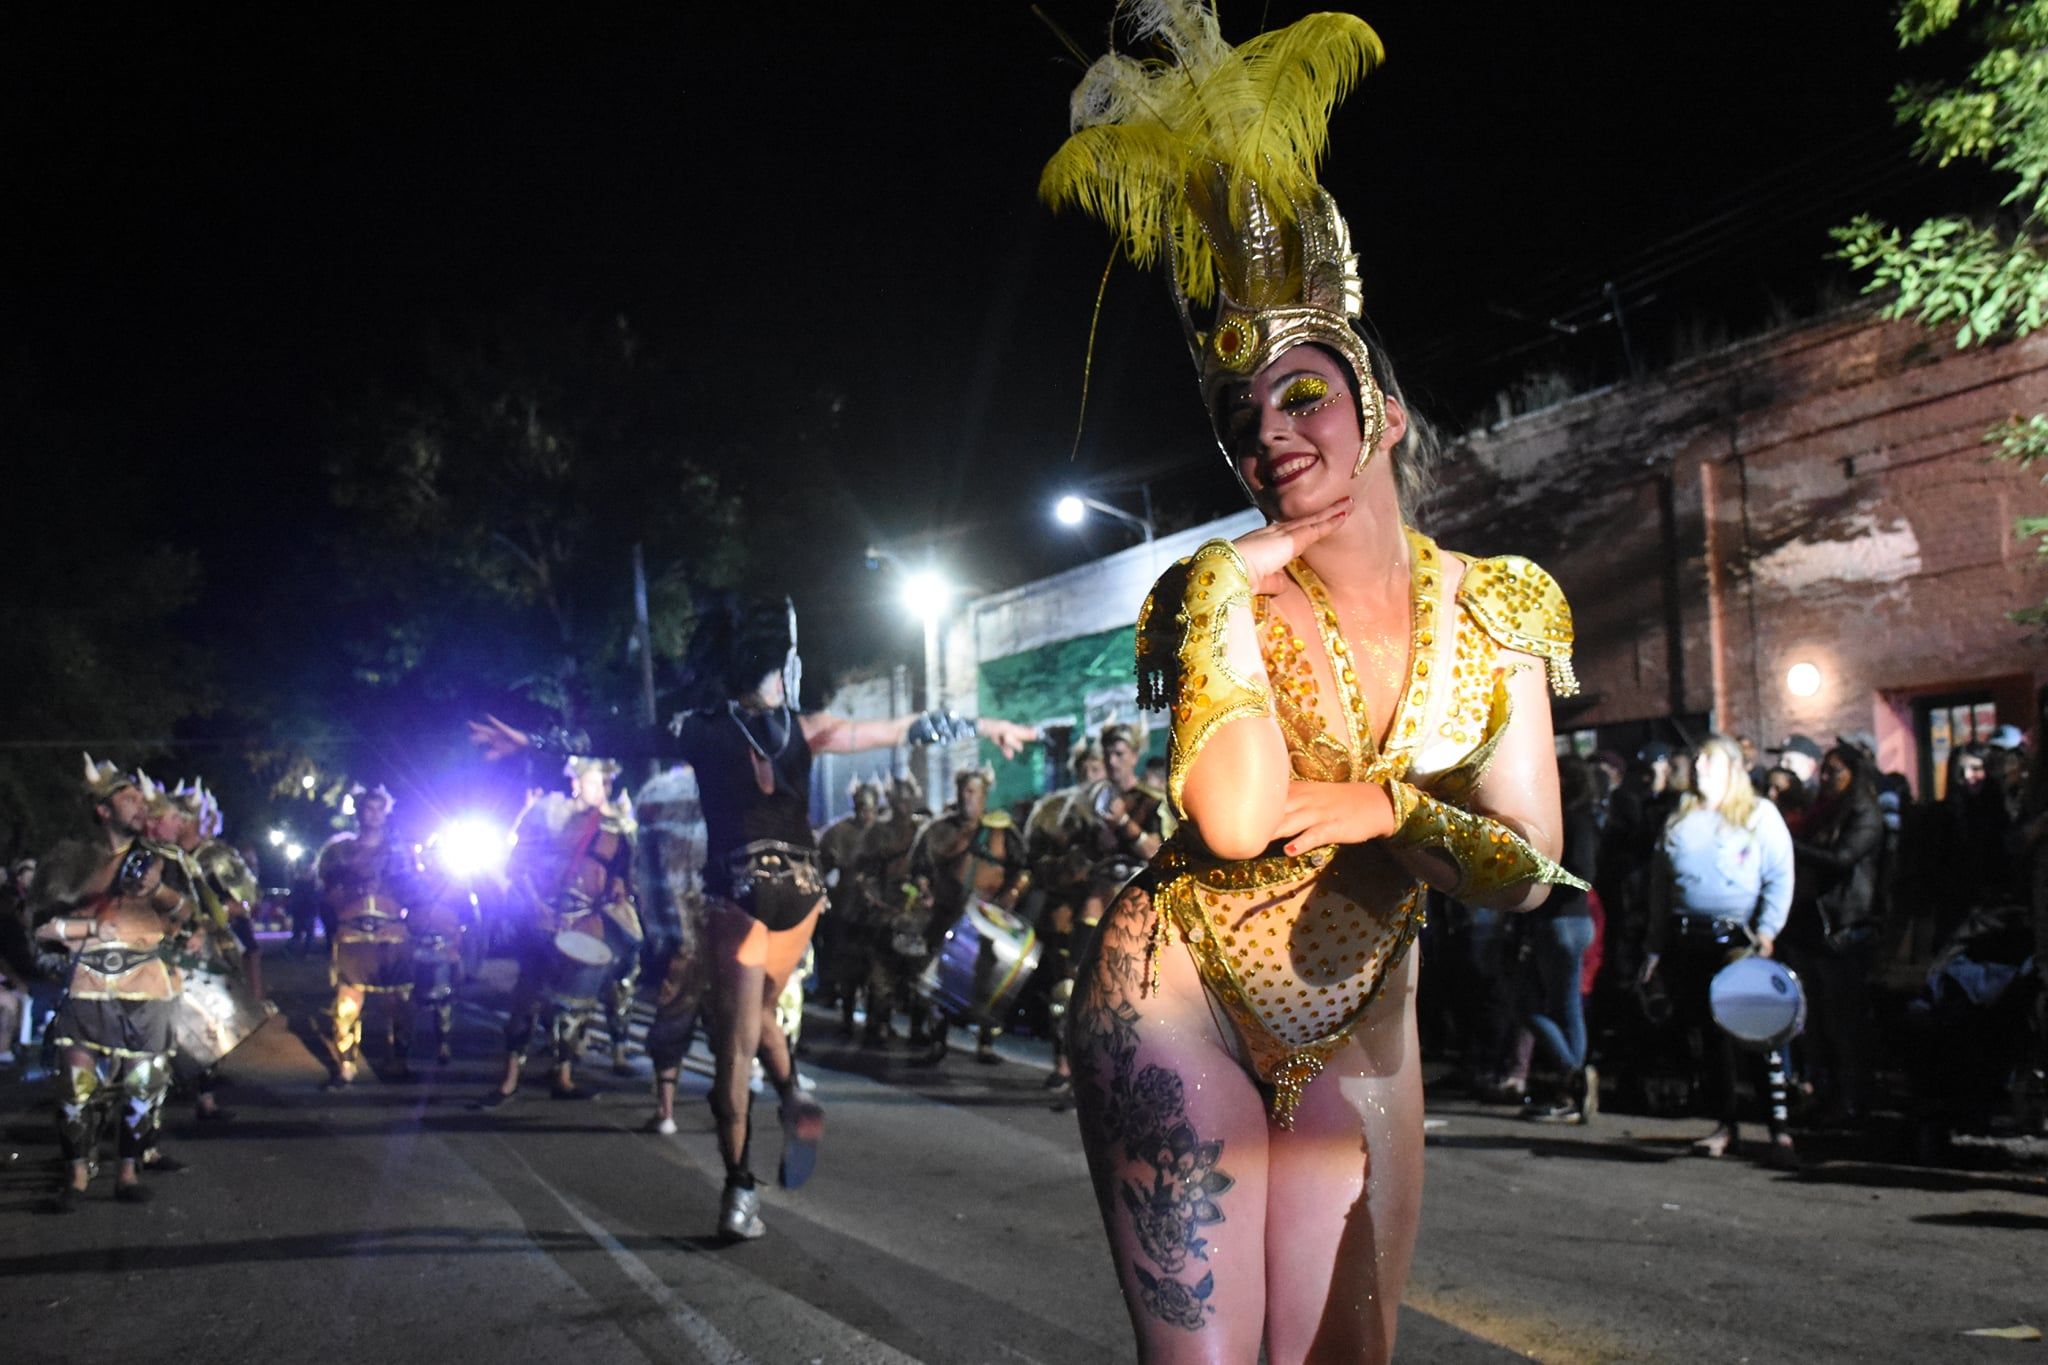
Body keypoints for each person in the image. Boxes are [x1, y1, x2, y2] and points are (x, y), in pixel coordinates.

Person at [1041, 9, 1585, 1356]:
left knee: (1349, 1352)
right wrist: (1226, 586)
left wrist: (1390, 810)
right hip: (1177, 995)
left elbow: (1529, 868)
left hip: (1366, 1028)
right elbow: (1232, 824)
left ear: (1381, 411)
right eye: (1242, 423)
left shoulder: (1500, 605)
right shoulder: (1209, 597)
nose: (1271, 437)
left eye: (1302, 399)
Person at [469, 595, 1034, 1241]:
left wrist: (528, 741)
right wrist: (986, 724)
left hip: (736, 895)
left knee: (733, 1042)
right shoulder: (811, 726)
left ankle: (739, 1187)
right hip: (802, 893)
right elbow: (905, 727)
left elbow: (616, 734)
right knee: (761, 1006)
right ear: (783, 665)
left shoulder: (697, 727)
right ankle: (793, 1091)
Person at [29, 756, 190, 1207]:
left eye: (142, 798)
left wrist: (157, 890)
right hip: (87, 982)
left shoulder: (164, 860)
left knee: (144, 1083)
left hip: (148, 985)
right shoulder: (69, 861)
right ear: (103, 809)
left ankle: (127, 1172)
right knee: (76, 1084)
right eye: (129, 797)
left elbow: (186, 918)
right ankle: (77, 1177)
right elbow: (41, 926)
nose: (141, 806)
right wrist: (88, 928)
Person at [1641, 734, 1797, 1167]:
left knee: (1757, 1032)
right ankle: (1726, 1125)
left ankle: (1778, 1131)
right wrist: (1653, 949)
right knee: (1709, 1039)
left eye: (1710, 761)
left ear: (1732, 768)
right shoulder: (1679, 820)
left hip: (1738, 939)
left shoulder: (1757, 815)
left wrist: (1767, 930)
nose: (1700, 768)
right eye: (1698, 761)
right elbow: (1659, 890)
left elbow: (1780, 875)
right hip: (1689, 938)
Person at [483, 756, 640, 1106]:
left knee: (575, 1002)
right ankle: (509, 1080)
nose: (599, 789)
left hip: (588, 919)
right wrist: (535, 904)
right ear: (576, 783)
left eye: (603, 783)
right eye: (592, 782)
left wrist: (616, 887)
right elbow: (518, 865)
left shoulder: (618, 830)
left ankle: (564, 1075)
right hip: (544, 917)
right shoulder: (548, 817)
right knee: (527, 996)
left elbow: (624, 874)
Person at [1786, 741, 1884, 1124]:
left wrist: (1792, 846)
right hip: (1812, 923)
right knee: (1815, 1018)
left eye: (1835, 771)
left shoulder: (1864, 813)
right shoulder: (1822, 811)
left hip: (1843, 924)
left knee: (1844, 1021)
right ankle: (1823, 1091)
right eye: (1824, 771)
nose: (1826, 777)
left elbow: (1843, 859)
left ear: (1854, 774)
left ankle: (1853, 1098)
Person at [908, 768, 1032, 1065]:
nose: (968, 797)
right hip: (947, 914)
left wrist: (1012, 894)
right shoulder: (937, 830)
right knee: (940, 979)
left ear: (984, 795)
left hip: (989, 919)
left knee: (988, 981)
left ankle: (986, 1044)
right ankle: (937, 1041)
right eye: (965, 790)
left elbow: (1024, 868)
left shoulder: (1003, 831)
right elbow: (919, 867)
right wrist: (925, 890)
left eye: (974, 791)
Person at [315, 784, 419, 1084]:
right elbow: (327, 892)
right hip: (352, 933)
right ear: (358, 812)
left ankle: (399, 1060)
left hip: (391, 932)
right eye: (367, 808)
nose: (372, 815)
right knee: (348, 1001)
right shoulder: (338, 852)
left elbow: (413, 891)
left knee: (400, 1000)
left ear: (385, 813)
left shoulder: (400, 852)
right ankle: (346, 1063)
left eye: (377, 809)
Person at [1523, 755, 1604, 1123]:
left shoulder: (1574, 820)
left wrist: (1543, 886)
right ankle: (1575, 1083)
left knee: (1539, 1005)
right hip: (1569, 921)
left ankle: (1573, 1080)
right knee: (1563, 1006)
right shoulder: (1580, 819)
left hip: (1562, 921)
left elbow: (1581, 873)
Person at [856, 775, 935, 1049]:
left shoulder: (923, 831)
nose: (903, 805)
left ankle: (918, 1026)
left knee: (918, 976)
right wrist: (875, 902)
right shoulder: (876, 832)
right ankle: (879, 1023)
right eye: (898, 798)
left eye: (907, 798)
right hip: (884, 913)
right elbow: (863, 871)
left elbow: (930, 868)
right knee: (881, 977)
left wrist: (926, 892)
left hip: (915, 916)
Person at [815, 781, 881, 1038]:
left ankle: (877, 1023)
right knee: (847, 968)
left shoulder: (884, 833)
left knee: (875, 968)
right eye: (863, 808)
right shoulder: (839, 832)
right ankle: (847, 1015)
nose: (868, 814)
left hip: (876, 911)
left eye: (872, 809)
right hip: (847, 908)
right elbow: (822, 868)